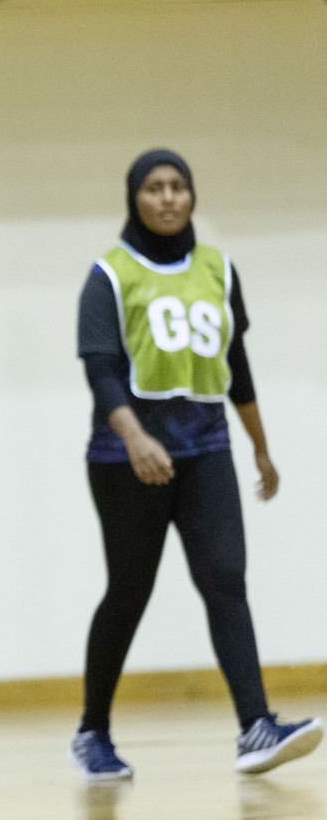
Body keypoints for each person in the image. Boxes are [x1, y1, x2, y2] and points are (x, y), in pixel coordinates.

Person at [70, 149, 321, 780]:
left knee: (225, 579)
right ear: (135, 198)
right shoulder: (110, 273)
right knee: (130, 590)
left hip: (207, 447)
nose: (167, 198)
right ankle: (92, 732)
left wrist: (260, 447)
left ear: (192, 196)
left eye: (178, 186)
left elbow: (236, 366)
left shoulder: (217, 266)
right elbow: (101, 371)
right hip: (127, 457)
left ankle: (255, 728)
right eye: (153, 188)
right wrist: (133, 438)